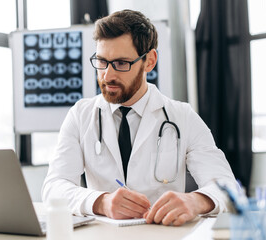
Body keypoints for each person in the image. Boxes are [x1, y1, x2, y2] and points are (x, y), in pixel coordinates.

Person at [42, 9, 237, 226]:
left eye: (121, 63)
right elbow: (53, 187)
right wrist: (101, 202)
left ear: (150, 61)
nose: (107, 75)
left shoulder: (182, 117)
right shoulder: (81, 115)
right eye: (102, 61)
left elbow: (227, 188)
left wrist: (195, 201)